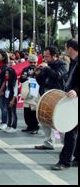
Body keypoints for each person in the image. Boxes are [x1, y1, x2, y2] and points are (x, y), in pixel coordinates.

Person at [34, 46, 69, 150]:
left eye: (47, 56)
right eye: (44, 56)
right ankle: (48, 142)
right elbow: (41, 82)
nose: (45, 59)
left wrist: (47, 68)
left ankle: (66, 146)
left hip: (57, 96)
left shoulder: (63, 64)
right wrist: (38, 74)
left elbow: (57, 76)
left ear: (55, 56)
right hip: (45, 94)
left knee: (60, 121)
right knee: (44, 119)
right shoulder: (47, 66)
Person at [51, 39, 78, 170]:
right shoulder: (73, 62)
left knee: (70, 131)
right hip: (73, 101)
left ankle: (64, 161)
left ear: (71, 48)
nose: (65, 49)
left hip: (76, 100)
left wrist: (76, 91)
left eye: (66, 47)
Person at [20, 54, 40, 134]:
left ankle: (35, 127)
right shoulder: (25, 69)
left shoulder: (40, 69)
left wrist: (36, 74)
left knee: (34, 109)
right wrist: (27, 76)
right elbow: (21, 79)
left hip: (36, 91)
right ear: (28, 62)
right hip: (27, 90)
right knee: (27, 109)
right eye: (31, 62)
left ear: (37, 62)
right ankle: (29, 126)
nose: (33, 64)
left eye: (34, 62)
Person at [3, 68, 18, 133]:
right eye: (5, 73)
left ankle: (14, 127)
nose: (6, 75)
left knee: (13, 112)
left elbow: (16, 91)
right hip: (7, 97)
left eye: (7, 73)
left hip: (12, 98)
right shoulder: (7, 80)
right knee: (9, 112)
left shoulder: (15, 80)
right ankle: (9, 125)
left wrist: (12, 100)